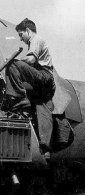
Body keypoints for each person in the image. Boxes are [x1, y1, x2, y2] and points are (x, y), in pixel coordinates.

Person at [4, 18, 55, 157]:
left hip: (44, 77)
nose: (21, 39)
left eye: (21, 35)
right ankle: (45, 146)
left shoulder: (36, 40)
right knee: (41, 106)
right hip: (43, 84)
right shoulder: (34, 42)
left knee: (13, 65)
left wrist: (13, 61)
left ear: (27, 31)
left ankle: (20, 98)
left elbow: (31, 60)